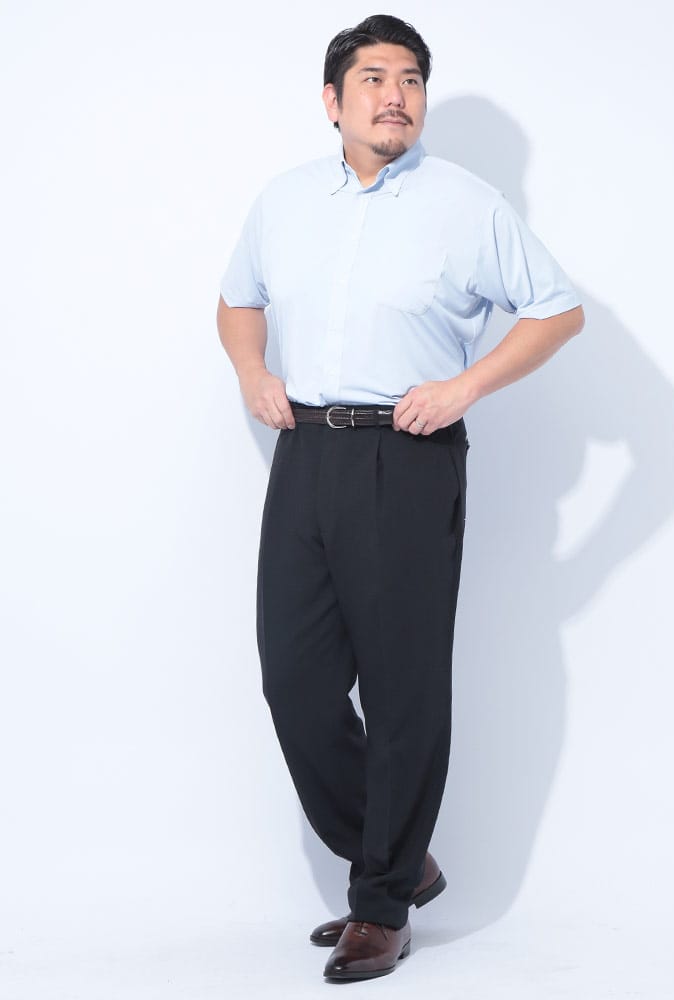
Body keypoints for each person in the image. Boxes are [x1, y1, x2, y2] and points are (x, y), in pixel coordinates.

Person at [217, 13, 584, 983]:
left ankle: (380, 903)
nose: (396, 95)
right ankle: (399, 857)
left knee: (401, 686)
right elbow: (237, 298)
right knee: (294, 682)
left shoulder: (466, 205)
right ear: (332, 100)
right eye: (375, 77)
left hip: (407, 458)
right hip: (305, 453)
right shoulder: (285, 201)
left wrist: (465, 387)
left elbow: (557, 309)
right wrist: (253, 370)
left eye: (412, 79)